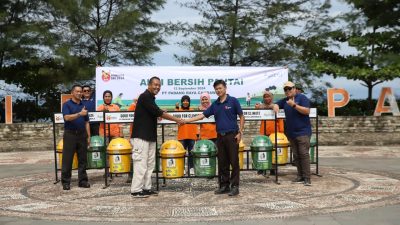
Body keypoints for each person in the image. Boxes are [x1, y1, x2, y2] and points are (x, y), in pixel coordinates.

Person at [184, 80, 244, 197]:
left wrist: (240, 132)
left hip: (232, 136)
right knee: (222, 163)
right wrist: (186, 121)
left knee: (234, 162)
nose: (218, 90)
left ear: (225, 88)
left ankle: (235, 186)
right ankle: (224, 186)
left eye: (220, 88)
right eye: (216, 89)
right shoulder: (215, 105)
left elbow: (241, 116)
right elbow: (202, 116)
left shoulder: (233, 101)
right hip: (219, 137)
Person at [130, 76, 184, 198]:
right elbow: (158, 112)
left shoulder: (151, 99)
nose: (157, 87)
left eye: (159, 85)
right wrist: (177, 120)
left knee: (150, 164)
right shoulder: (144, 96)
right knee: (140, 164)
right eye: (155, 84)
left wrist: (159, 113)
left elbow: (155, 112)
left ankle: (146, 188)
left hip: (150, 137)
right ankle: (136, 190)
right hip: (141, 137)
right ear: (149, 85)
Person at [276, 81, 312, 186]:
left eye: (289, 89)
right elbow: (276, 104)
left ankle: (307, 178)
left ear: (294, 88)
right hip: (291, 133)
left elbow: (307, 111)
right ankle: (300, 176)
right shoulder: (285, 100)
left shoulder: (302, 98)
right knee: (296, 155)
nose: (287, 91)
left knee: (303, 154)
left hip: (303, 132)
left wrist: (294, 105)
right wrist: (276, 106)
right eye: (285, 89)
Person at [61, 84, 91, 190]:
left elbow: (87, 121)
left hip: (82, 134)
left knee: (82, 159)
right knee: (67, 159)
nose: (79, 93)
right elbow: (67, 118)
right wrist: (79, 114)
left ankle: (83, 181)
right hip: (70, 134)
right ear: (72, 92)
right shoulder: (67, 105)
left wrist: (88, 136)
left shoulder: (83, 105)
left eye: (81, 91)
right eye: (77, 91)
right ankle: (65, 182)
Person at [255, 90, 282, 175]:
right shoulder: (261, 107)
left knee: (273, 151)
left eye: (268, 96)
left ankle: (273, 169)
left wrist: (281, 132)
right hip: (263, 132)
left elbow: (280, 120)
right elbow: (256, 113)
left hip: (274, 133)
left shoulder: (275, 106)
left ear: (272, 97)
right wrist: (256, 108)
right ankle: (261, 168)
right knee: (262, 150)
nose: (267, 98)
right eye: (265, 97)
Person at [177, 95, 197, 173]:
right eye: (184, 101)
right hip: (182, 136)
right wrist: (176, 108)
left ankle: (191, 168)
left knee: (191, 153)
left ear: (189, 102)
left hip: (191, 135)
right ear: (182, 102)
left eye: (187, 101)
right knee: (182, 153)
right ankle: (182, 168)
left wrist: (197, 134)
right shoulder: (178, 110)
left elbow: (196, 123)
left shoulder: (193, 110)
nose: (185, 102)